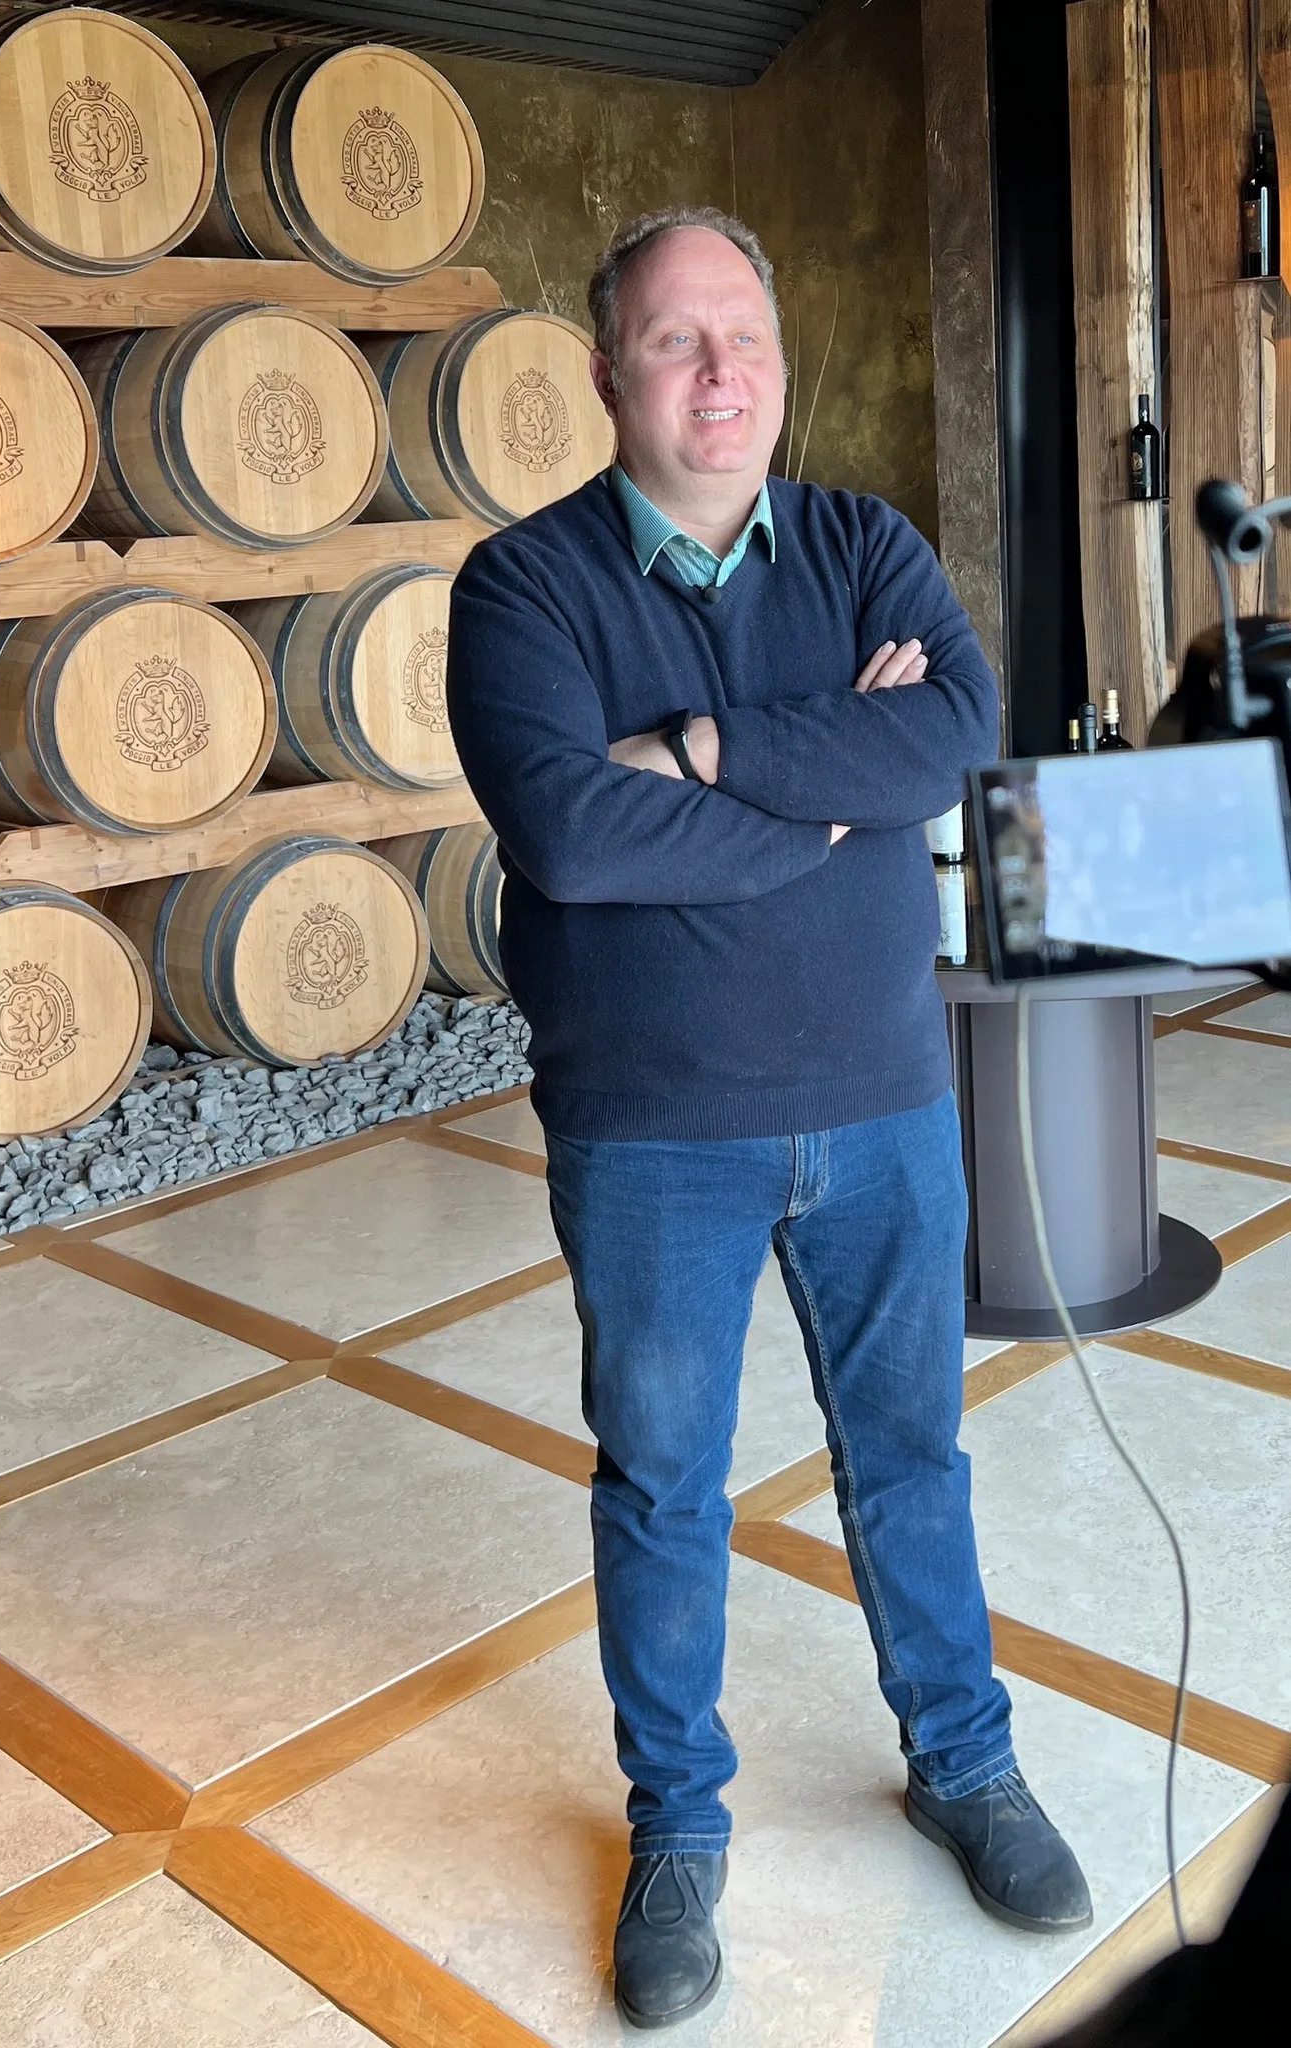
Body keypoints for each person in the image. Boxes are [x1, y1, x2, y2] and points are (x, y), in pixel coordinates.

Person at [446, 205, 1091, 2031]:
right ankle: (676, 1823)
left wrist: (709, 750)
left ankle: (963, 1763)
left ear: (781, 364)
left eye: (744, 336)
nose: (718, 372)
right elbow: (572, 838)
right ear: (608, 374)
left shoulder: (867, 543)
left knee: (911, 1457)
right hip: (652, 1133)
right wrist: (832, 781)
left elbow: (952, 736)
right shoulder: (521, 588)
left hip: (883, 1104)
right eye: (675, 339)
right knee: (663, 1485)